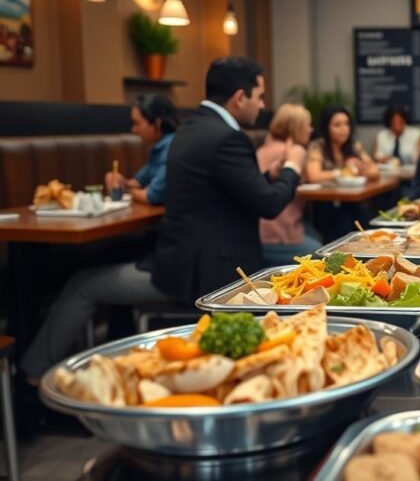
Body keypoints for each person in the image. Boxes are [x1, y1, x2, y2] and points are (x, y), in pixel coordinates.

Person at [21, 57, 305, 380]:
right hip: (204, 274)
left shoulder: (192, 129)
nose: (262, 104)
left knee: (82, 283)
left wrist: (266, 176)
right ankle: (36, 379)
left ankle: (43, 372)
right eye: (260, 96)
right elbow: (269, 204)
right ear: (240, 97)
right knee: (83, 285)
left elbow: (241, 192)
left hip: (191, 262)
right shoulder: (226, 137)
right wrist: (293, 166)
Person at [257, 104, 322, 266]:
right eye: (307, 125)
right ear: (297, 128)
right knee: (322, 252)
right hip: (277, 234)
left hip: (257, 231)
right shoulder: (291, 153)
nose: (311, 130)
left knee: (316, 235)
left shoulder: (263, 149)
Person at [305, 105, 380, 240]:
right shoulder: (318, 146)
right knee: (340, 219)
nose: (343, 129)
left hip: (352, 202)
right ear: (326, 127)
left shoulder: (353, 145)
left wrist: (359, 168)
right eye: (337, 125)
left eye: (346, 124)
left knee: (368, 215)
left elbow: (374, 171)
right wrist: (343, 171)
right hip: (326, 204)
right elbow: (313, 176)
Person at [104, 93, 178, 205]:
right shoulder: (159, 147)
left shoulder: (172, 148)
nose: (133, 129)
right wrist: (119, 181)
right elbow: (138, 182)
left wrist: (123, 189)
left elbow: (152, 197)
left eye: (137, 123)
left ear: (157, 123)